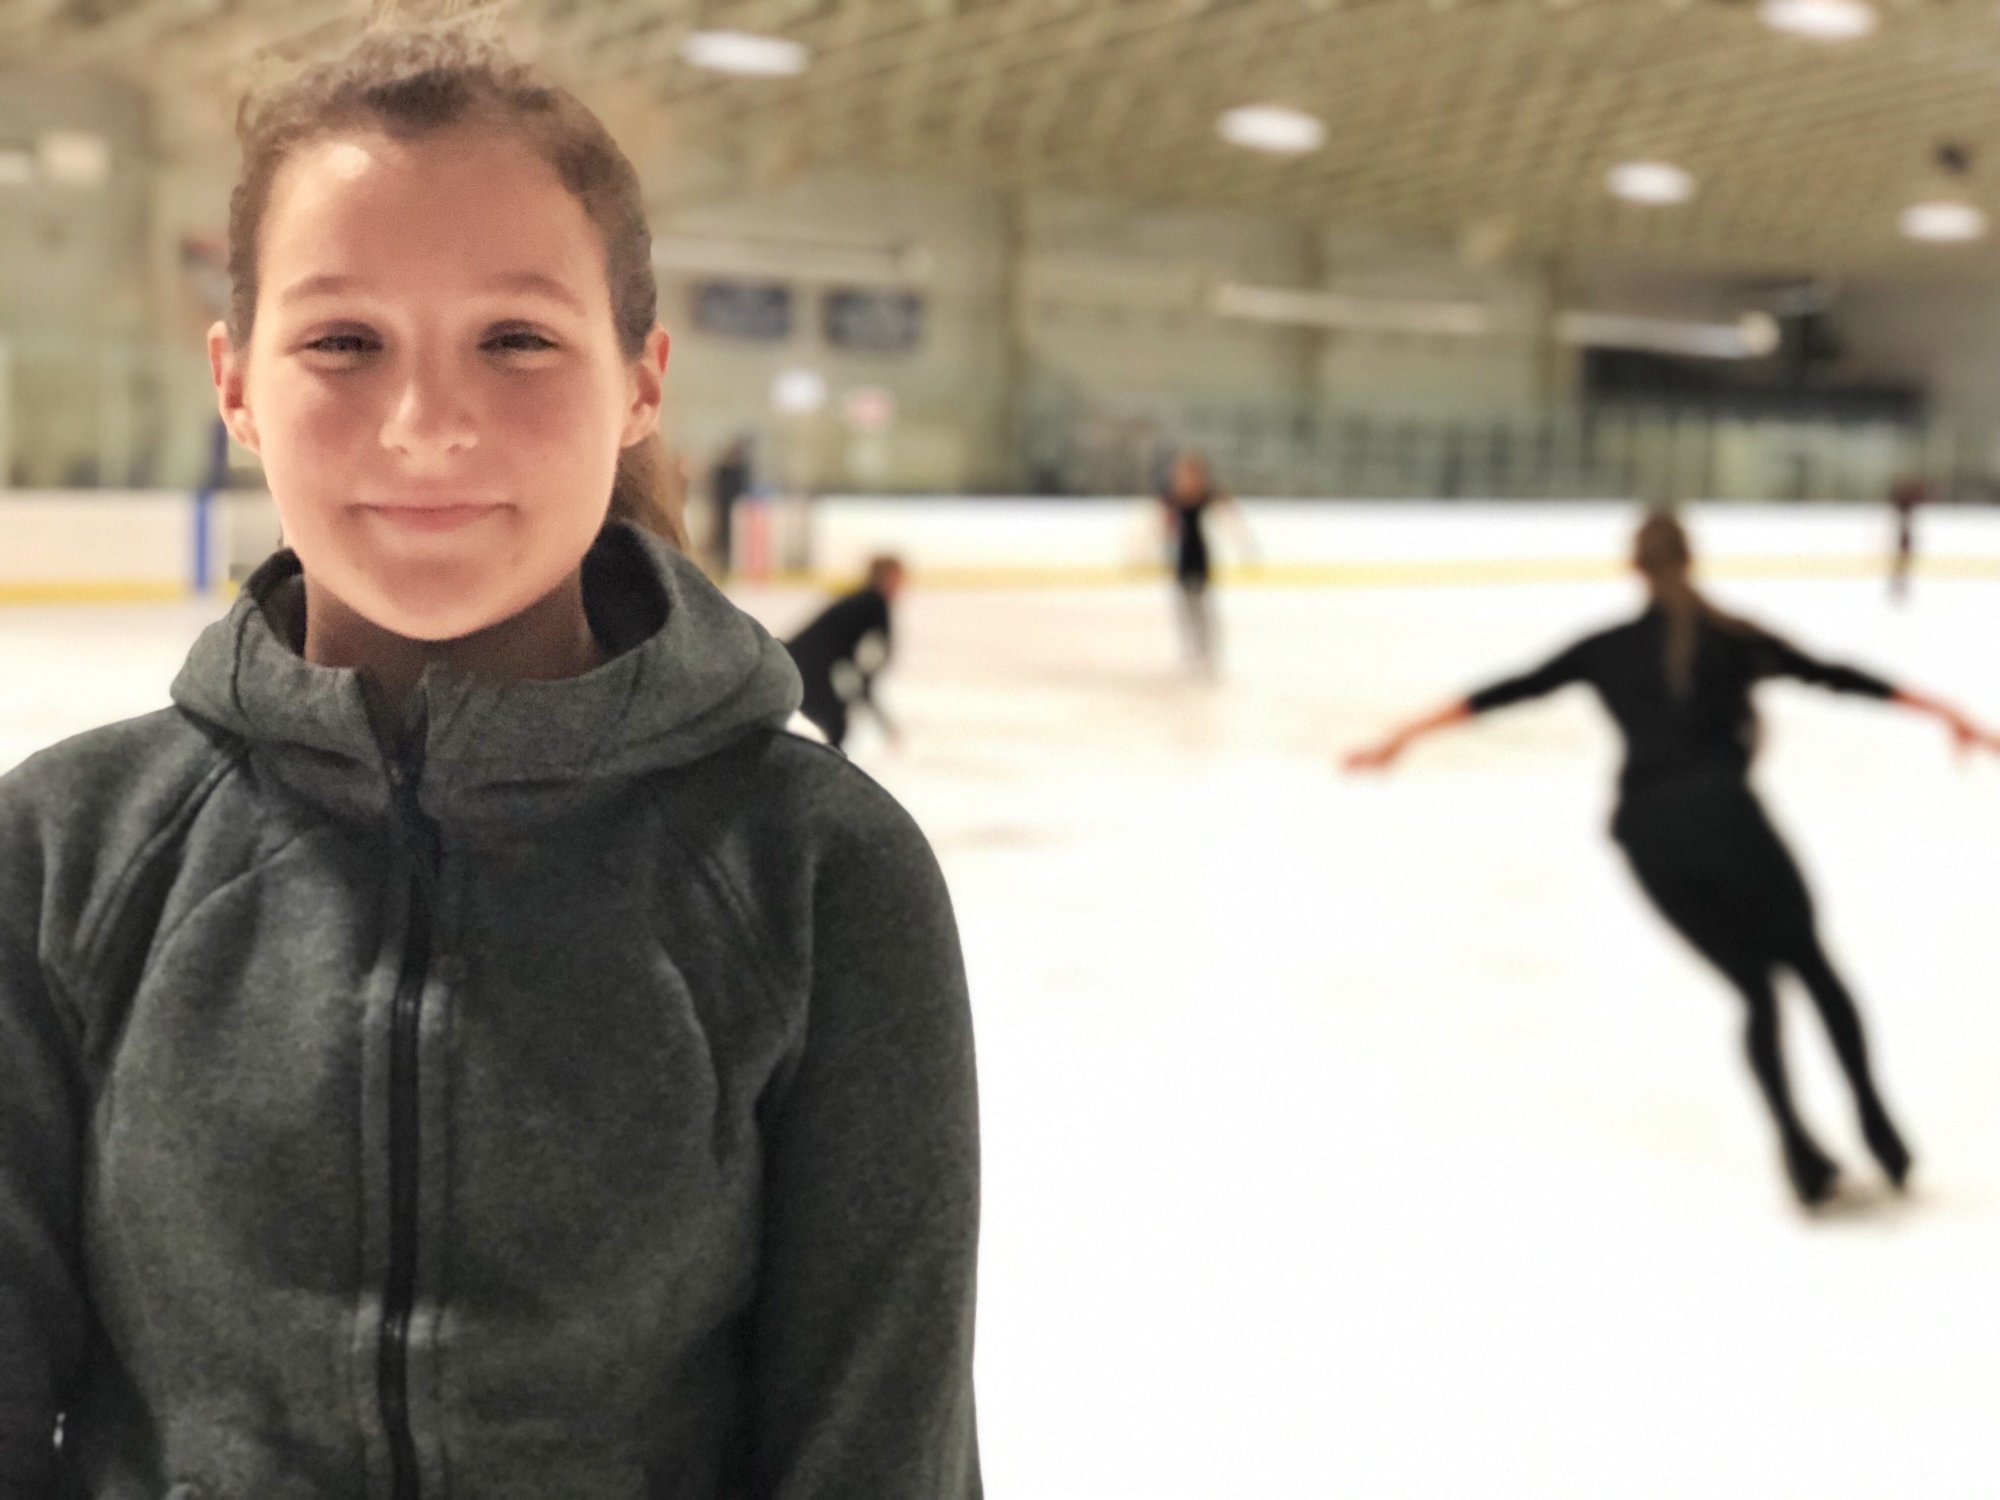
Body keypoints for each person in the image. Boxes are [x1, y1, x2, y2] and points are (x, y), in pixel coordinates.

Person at [0, 32, 981, 1500]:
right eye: (343, 341)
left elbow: (878, 1453)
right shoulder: (62, 853)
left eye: (517, 338)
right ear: (237, 385)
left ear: (643, 380)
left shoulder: (820, 872)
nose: (427, 425)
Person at [1347, 510, 2000, 1209]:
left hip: (1647, 833)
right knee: (1810, 965)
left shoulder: (1606, 647)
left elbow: (1505, 690)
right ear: (1690, 561)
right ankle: (1875, 1119)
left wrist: (1399, 736)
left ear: (1634, 568)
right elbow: (1836, 676)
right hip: (1727, 818)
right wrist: (1947, 712)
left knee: (1755, 990)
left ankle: (1798, 1150)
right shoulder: (1734, 637)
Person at [785, 555, 905, 751]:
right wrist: (882, 720)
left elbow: (861, 669)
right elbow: (867, 669)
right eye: (897, 578)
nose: (900, 586)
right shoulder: (873, 605)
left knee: (837, 726)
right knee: (837, 727)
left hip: (798, 663)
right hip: (808, 668)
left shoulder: (863, 601)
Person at [1157, 451, 1252, 675]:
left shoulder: (1204, 495)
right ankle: (1193, 649)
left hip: (1199, 554)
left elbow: (1229, 514)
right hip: (1183, 554)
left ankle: (1207, 649)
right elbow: (1166, 524)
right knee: (1185, 605)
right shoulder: (1174, 496)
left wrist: (1244, 544)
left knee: (1201, 606)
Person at [708, 434, 754, 576]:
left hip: (735, 512)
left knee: (732, 540)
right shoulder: (723, 471)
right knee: (721, 539)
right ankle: (721, 568)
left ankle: (728, 567)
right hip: (722, 510)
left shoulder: (740, 471)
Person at [1889, 475, 1927, 603]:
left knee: (1903, 563)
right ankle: (1899, 585)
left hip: (1904, 539)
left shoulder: (1905, 509)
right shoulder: (1903, 509)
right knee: (1901, 563)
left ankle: (1900, 585)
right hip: (1902, 540)